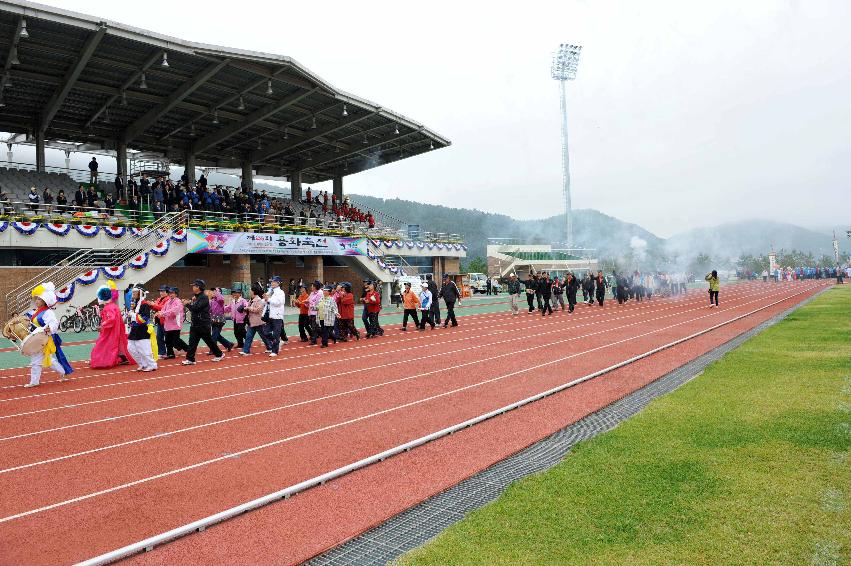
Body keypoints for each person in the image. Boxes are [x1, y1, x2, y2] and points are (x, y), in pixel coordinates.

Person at [22, 282, 74, 387]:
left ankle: (34, 381)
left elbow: (54, 324)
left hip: (45, 339)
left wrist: (48, 329)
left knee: (37, 359)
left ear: (45, 301)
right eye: (36, 299)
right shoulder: (37, 311)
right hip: (38, 338)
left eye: (39, 299)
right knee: (47, 359)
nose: (36, 301)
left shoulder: (48, 312)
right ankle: (62, 371)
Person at [90, 282, 134, 368]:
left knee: (103, 345)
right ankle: (121, 357)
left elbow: (111, 319)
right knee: (117, 344)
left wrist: (102, 325)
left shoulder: (108, 308)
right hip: (115, 330)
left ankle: (103, 361)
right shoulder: (113, 306)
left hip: (110, 331)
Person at [182, 279, 224, 365]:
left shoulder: (204, 298)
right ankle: (190, 359)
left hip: (203, 325)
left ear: (198, 287)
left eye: (194, 286)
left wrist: (187, 304)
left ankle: (219, 354)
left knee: (209, 341)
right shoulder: (197, 297)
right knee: (192, 342)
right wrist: (190, 302)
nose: (193, 287)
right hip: (195, 324)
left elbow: (195, 309)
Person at [127, 285, 158, 372]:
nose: (133, 293)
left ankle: (152, 365)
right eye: (133, 292)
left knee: (144, 349)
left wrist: (133, 315)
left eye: (135, 292)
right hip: (134, 329)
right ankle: (143, 364)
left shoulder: (144, 304)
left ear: (140, 293)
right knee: (131, 348)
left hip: (142, 329)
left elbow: (144, 319)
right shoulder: (134, 303)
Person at [242, 284, 271, 355]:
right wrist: (244, 309)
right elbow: (249, 308)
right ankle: (246, 351)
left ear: (253, 291)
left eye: (250, 290)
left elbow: (258, 310)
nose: (249, 291)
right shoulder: (251, 300)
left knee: (264, 336)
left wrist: (248, 308)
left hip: (258, 322)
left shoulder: (259, 300)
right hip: (251, 322)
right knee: (248, 336)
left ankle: (270, 347)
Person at [161, 287, 188, 358]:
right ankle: (170, 354)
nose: (170, 294)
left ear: (176, 294)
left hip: (176, 324)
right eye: (169, 293)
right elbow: (163, 309)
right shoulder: (168, 302)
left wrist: (163, 313)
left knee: (175, 340)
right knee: (167, 340)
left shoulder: (178, 301)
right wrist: (160, 313)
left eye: (172, 293)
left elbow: (174, 311)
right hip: (168, 324)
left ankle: (188, 349)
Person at [264, 276, 288, 357]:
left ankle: (275, 351)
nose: (272, 283)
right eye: (271, 282)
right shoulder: (270, 291)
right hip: (270, 316)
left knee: (276, 334)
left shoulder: (280, 292)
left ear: (278, 283)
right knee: (265, 332)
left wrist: (269, 299)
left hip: (277, 316)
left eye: (274, 282)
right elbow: (264, 301)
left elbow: (279, 302)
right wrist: (264, 299)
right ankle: (277, 342)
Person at [208, 287, 235, 354]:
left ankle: (213, 350)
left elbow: (221, 298)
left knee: (214, 335)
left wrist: (217, 291)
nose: (213, 293)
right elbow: (210, 310)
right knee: (216, 335)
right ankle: (228, 344)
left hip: (220, 320)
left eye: (215, 292)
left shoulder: (220, 300)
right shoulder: (212, 301)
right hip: (214, 319)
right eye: (213, 292)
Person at [147, 285, 169, 356]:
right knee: (159, 337)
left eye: (163, 291)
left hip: (166, 321)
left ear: (167, 292)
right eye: (160, 291)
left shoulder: (168, 299)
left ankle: (176, 349)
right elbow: (156, 308)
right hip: (159, 321)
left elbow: (163, 308)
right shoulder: (159, 299)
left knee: (169, 338)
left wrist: (154, 305)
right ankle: (162, 352)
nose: (161, 293)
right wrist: (150, 305)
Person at [307, 280, 323, 345]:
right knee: (314, 326)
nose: (311, 287)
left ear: (316, 286)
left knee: (314, 327)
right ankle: (325, 334)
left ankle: (314, 340)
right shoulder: (312, 293)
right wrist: (306, 302)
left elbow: (317, 303)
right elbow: (309, 300)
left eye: (312, 286)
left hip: (316, 312)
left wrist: (310, 303)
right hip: (311, 312)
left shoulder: (320, 293)